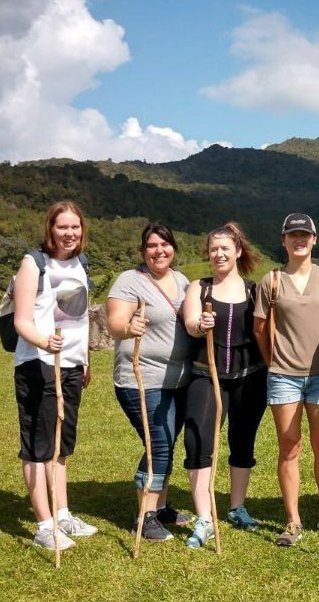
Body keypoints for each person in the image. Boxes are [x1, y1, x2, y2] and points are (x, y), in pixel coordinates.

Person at [253, 213, 319, 547]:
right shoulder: (272, 280)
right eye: (292, 235)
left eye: (304, 235)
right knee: (289, 447)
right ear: (283, 240)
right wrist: (272, 362)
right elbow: (260, 328)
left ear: (314, 239)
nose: (299, 240)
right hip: (284, 378)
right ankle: (293, 520)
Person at [11, 200, 96, 551]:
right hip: (38, 363)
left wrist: (85, 358)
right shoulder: (34, 263)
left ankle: (62, 515)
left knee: (61, 447)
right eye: (62, 227)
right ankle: (44, 526)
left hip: (72, 364)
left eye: (74, 227)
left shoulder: (81, 263)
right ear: (51, 229)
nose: (69, 233)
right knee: (38, 447)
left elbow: (81, 317)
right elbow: (21, 321)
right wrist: (46, 342)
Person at [105, 222, 194, 543]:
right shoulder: (130, 281)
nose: (159, 251)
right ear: (143, 251)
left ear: (173, 248)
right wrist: (129, 327)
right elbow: (114, 322)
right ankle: (145, 515)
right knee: (158, 444)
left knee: (166, 443)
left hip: (178, 380)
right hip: (141, 379)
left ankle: (162, 506)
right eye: (152, 246)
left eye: (165, 245)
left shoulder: (182, 281)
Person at [181, 222, 268, 548]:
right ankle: (205, 518)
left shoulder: (253, 290)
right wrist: (198, 324)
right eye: (214, 249)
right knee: (198, 441)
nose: (218, 254)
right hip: (206, 375)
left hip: (250, 377)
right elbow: (190, 323)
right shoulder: (198, 288)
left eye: (224, 249)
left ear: (238, 252)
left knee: (243, 441)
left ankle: (236, 507)